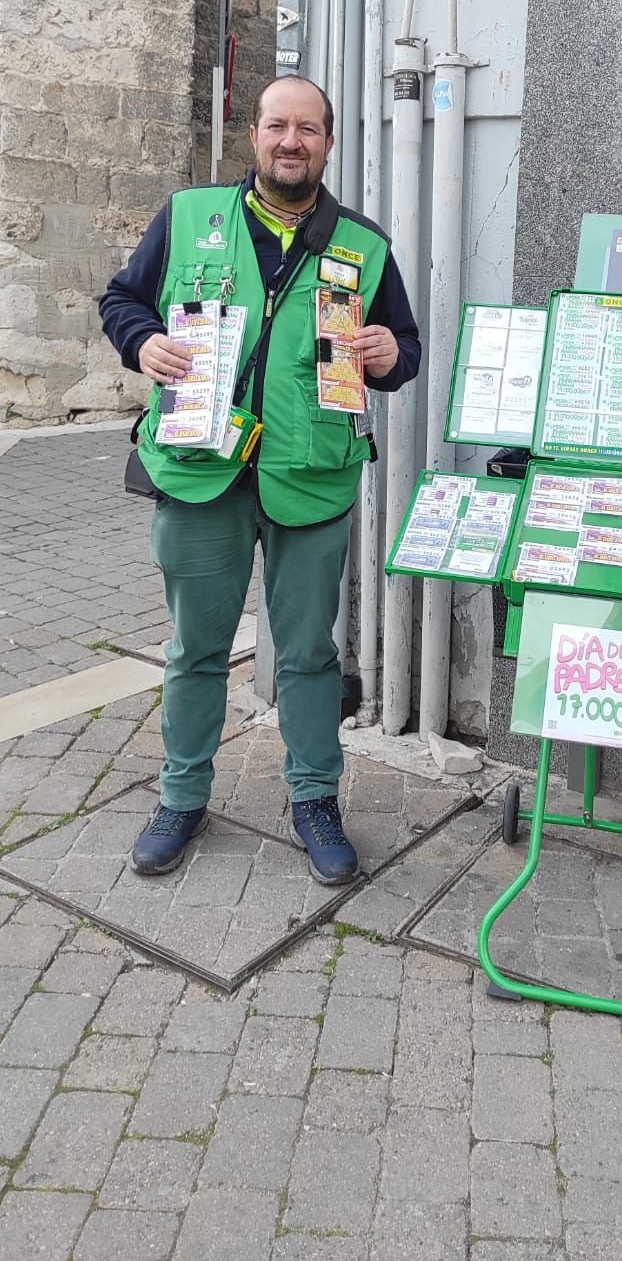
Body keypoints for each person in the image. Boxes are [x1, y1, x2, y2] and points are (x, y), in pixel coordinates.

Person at [100, 76, 420, 885]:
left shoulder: (366, 244)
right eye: (278, 126)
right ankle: (181, 797)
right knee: (196, 648)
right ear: (255, 136)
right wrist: (142, 344)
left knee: (309, 654)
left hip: (310, 478)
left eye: (307, 129)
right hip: (199, 470)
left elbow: (403, 350)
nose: (291, 141)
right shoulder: (188, 218)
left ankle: (314, 798)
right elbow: (121, 301)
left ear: (328, 142)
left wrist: (388, 358)